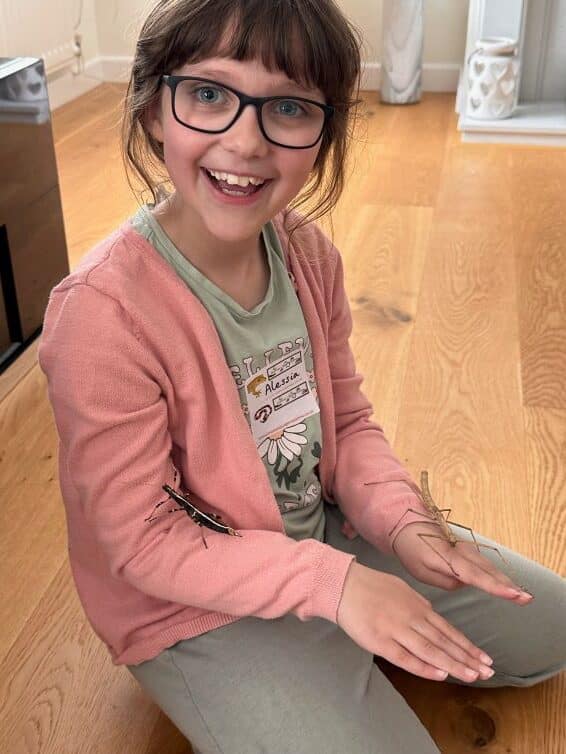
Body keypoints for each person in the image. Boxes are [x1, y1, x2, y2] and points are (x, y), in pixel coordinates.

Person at [38, 1, 566, 752]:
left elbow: (346, 422)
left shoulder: (308, 254)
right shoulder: (100, 316)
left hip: (316, 532)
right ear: (155, 109)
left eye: (287, 107)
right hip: (187, 604)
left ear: (324, 132)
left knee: (550, 631)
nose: (245, 141)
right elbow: (143, 542)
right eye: (211, 95)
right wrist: (339, 588)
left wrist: (403, 523)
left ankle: (344, 635)